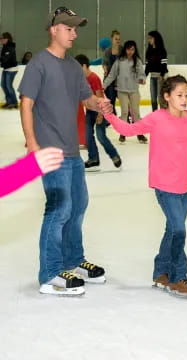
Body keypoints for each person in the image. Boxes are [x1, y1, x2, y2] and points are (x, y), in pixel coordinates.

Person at [18, 6, 113, 296]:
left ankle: (73, 260)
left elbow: (86, 99)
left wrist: (101, 104)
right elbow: (26, 104)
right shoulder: (39, 65)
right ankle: (49, 274)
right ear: (53, 30)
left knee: (78, 207)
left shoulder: (72, 66)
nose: (74, 33)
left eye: (76, 29)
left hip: (72, 152)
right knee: (58, 210)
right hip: (50, 150)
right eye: (68, 28)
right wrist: (32, 143)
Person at [103, 75, 187, 298]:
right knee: (179, 230)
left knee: (172, 229)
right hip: (165, 185)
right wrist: (109, 115)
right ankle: (178, 277)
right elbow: (129, 130)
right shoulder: (157, 118)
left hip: (185, 185)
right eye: (179, 95)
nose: (185, 99)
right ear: (166, 97)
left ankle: (160, 272)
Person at [75, 54, 122, 171]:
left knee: (101, 136)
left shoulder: (93, 78)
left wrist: (101, 114)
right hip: (90, 111)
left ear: (84, 66)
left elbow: (100, 97)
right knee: (88, 135)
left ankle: (114, 155)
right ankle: (94, 158)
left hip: (101, 111)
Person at [104, 40, 147, 144]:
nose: (130, 52)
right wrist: (103, 85)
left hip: (134, 91)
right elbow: (112, 75)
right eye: (128, 49)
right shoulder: (119, 61)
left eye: (132, 49)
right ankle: (123, 133)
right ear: (125, 49)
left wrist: (142, 79)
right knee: (124, 112)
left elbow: (142, 74)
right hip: (122, 90)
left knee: (136, 113)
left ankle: (140, 134)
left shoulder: (137, 61)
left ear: (135, 50)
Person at [145, 30, 168, 111]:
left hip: (160, 77)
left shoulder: (162, 51)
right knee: (153, 99)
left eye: (150, 38)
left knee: (161, 98)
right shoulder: (148, 51)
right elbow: (147, 66)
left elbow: (164, 65)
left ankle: (163, 116)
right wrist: (144, 76)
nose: (149, 40)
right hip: (152, 77)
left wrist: (161, 75)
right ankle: (155, 116)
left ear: (156, 38)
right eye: (148, 38)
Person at [102, 30, 122, 115]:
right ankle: (112, 116)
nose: (117, 41)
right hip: (110, 79)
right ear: (112, 39)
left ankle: (128, 116)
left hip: (120, 79)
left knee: (123, 99)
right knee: (111, 98)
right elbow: (104, 63)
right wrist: (105, 68)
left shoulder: (122, 50)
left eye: (119, 39)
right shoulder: (107, 51)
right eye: (116, 39)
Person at [0, 32, 18, 109]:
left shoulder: (10, 46)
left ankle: (14, 102)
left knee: (8, 86)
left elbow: (5, 58)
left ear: (6, 39)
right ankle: (9, 102)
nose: (0, 40)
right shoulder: (5, 46)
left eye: (1, 38)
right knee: (3, 85)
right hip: (6, 68)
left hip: (12, 69)